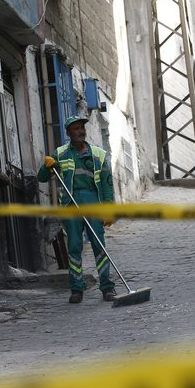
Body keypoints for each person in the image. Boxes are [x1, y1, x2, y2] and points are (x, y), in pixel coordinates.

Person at [38, 116, 116, 304]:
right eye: (75, 129)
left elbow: (107, 184)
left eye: (81, 128)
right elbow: (42, 178)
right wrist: (46, 166)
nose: (79, 131)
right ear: (68, 133)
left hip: (93, 202)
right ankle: (76, 289)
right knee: (74, 247)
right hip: (71, 204)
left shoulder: (99, 154)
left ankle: (107, 288)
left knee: (99, 246)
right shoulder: (60, 153)